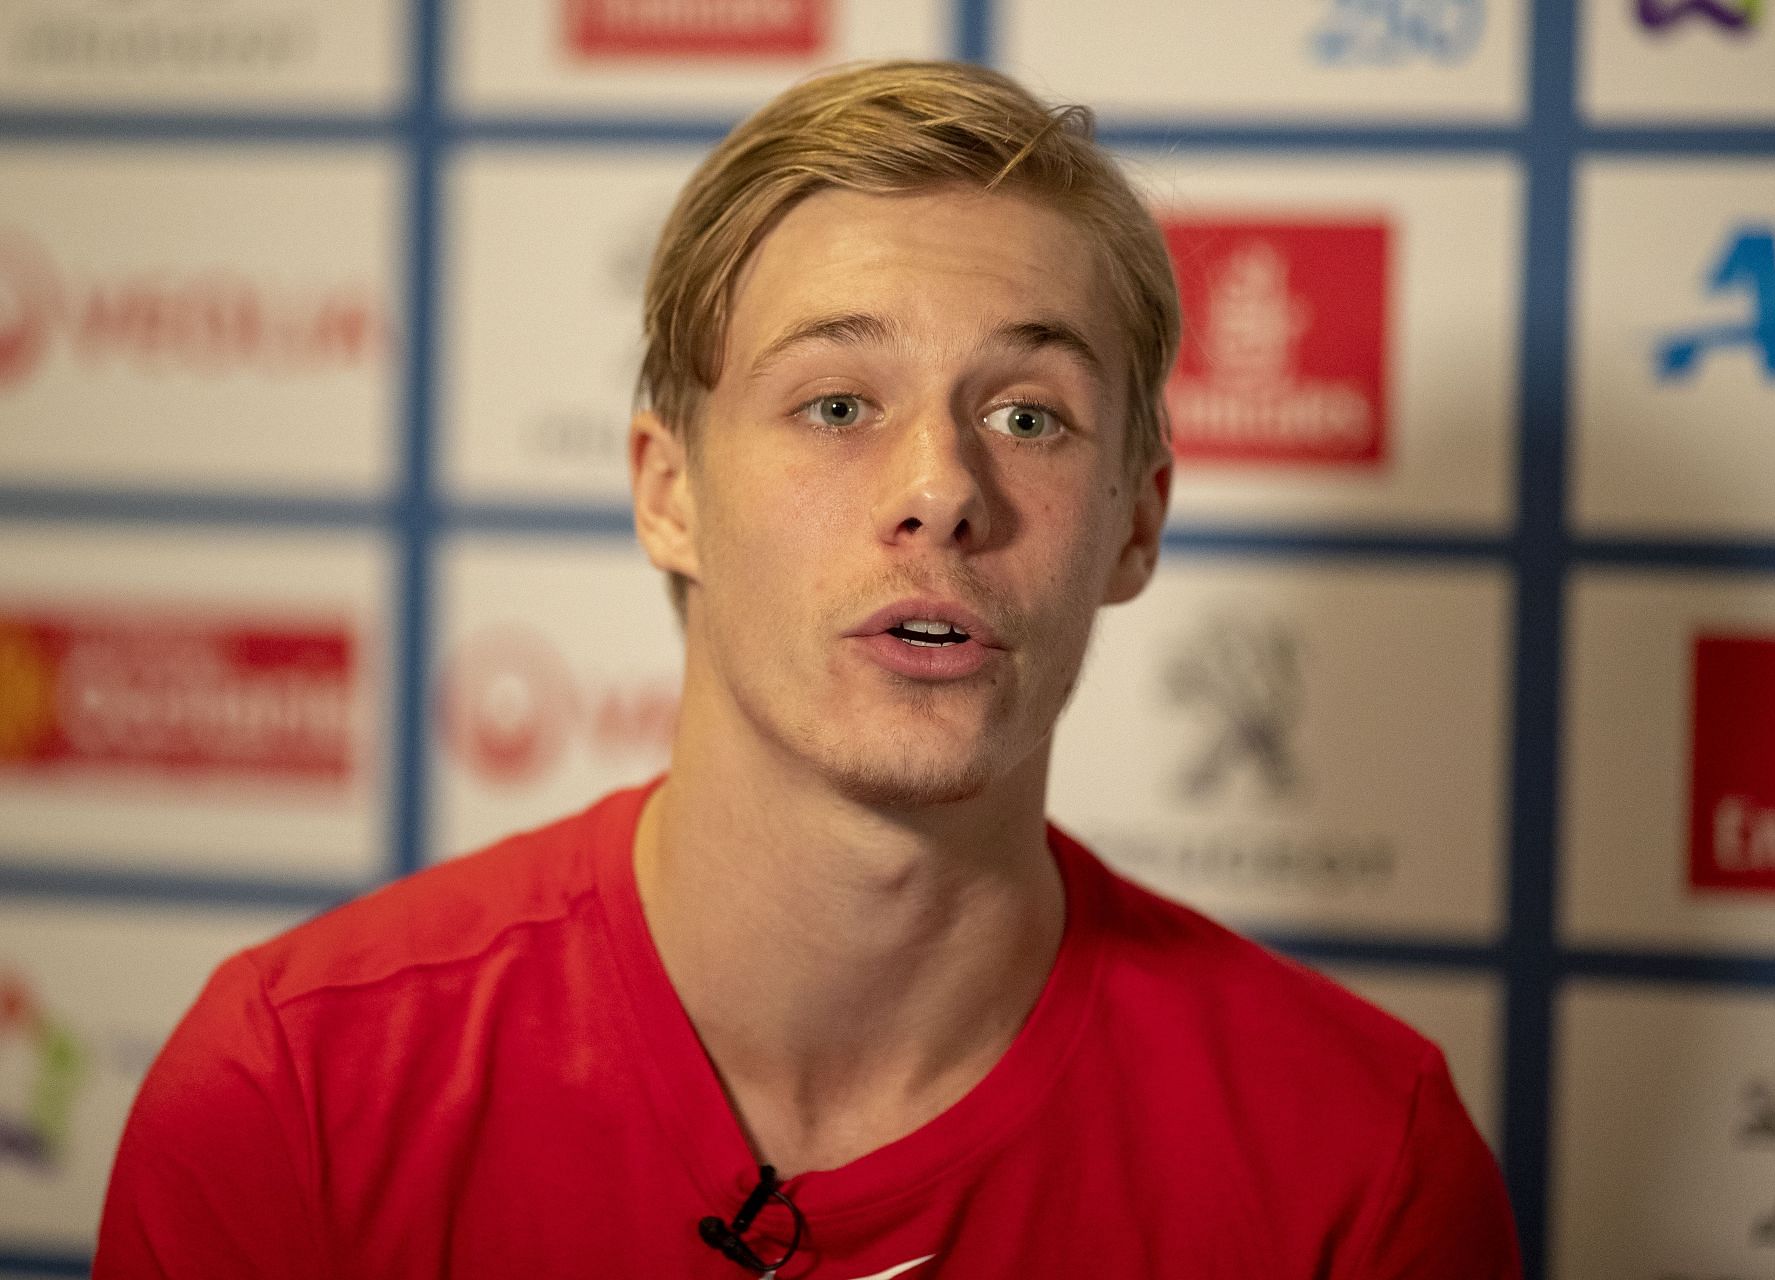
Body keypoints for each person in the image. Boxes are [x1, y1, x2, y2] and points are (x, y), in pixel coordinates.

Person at [96, 60, 1522, 1278]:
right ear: (669, 491)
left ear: (1135, 522)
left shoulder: (1358, 1163)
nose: (940, 490)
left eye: (1030, 416)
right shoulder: (291, 1092)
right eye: (837, 402)